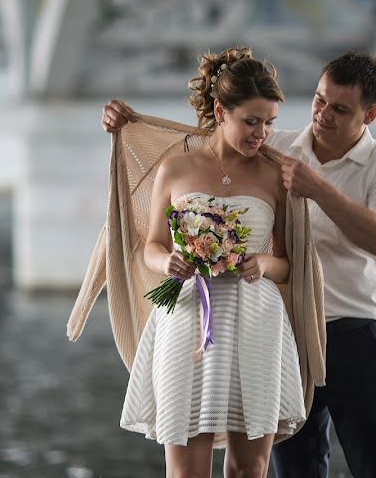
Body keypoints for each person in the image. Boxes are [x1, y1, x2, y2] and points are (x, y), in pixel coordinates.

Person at [103, 51, 376, 478]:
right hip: (282, 324)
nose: (323, 115)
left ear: (370, 114)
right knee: (296, 469)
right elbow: (214, 137)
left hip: (349, 329)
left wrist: (314, 195)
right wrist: (129, 123)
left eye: (340, 109)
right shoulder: (278, 148)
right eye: (320, 100)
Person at [119, 46, 308, 477]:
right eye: (251, 121)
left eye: (269, 123)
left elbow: (287, 265)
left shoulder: (274, 175)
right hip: (186, 320)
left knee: (248, 470)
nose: (261, 134)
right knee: (185, 471)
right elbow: (150, 245)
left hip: (255, 321)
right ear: (221, 111)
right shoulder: (175, 168)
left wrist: (262, 263)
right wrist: (167, 262)